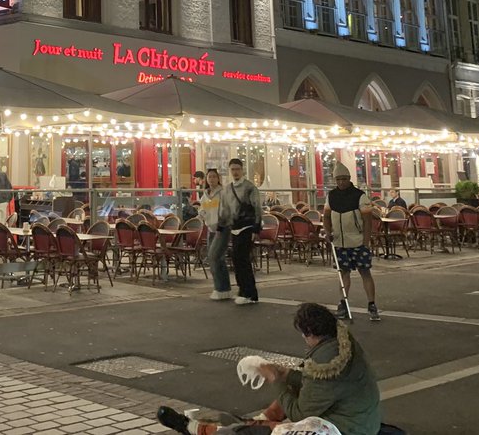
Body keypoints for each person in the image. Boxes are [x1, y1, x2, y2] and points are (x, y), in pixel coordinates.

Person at [156, 302, 381, 435]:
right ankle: (257, 420)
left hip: (345, 430)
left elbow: (300, 413)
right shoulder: (341, 347)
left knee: (247, 433)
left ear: (309, 333)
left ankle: (193, 428)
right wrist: (287, 375)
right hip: (358, 418)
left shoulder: (324, 366)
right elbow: (316, 386)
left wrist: (277, 380)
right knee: (289, 395)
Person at [324, 162, 379, 322]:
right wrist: (328, 232)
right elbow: (326, 216)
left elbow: (367, 220)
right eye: (338, 179)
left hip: (358, 240)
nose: (341, 182)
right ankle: (343, 304)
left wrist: (366, 242)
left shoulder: (360, 196)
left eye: (344, 179)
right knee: (343, 274)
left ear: (349, 178)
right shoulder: (331, 196)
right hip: (340, 242)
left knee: (365, 272)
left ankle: (372, 304)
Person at [209, 157, 261, 305]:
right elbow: (224, 209)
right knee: (237, 260)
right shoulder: (227, 189)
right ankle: (244, 291)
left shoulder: (250, 187)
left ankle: (248, 292)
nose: (235, 172)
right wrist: (221, 225)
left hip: (247, 226)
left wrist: (256, 227)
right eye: (233, 169)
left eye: (237, 169)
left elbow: (257, 208)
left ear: (242, 169)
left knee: (242, 259)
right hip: (234, 227)